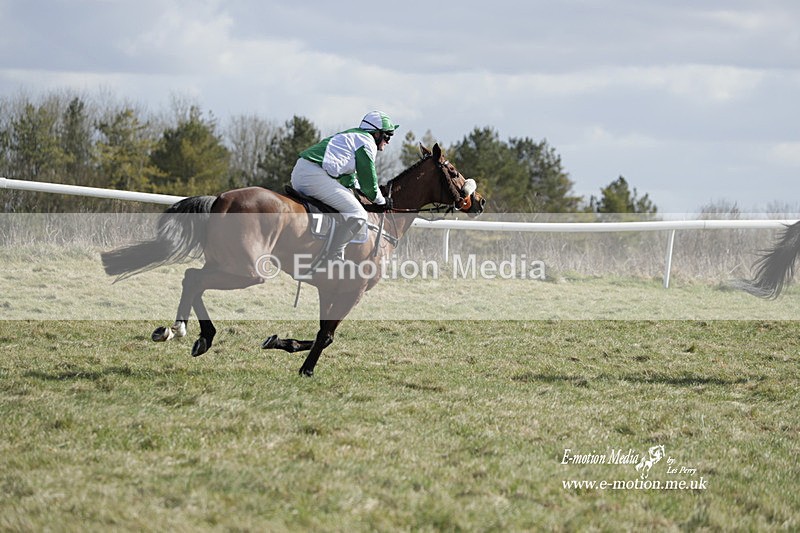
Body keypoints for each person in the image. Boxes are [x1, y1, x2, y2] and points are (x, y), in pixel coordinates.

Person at [290, 110, 399, 261]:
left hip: (301, 171)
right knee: (358, 214)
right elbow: (370, 185)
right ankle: (333, 256)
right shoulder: (367, 143)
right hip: (313, 175)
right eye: (387, 135)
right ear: (376, 134)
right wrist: (382, 201)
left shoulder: (354, 137)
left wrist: (358, 191)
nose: (388, 141)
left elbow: (349, 179)